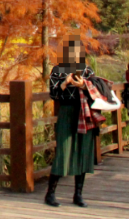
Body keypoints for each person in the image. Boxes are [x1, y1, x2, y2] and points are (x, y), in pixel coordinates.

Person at [45, 34, 97, 208]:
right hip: (66, 111)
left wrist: (83, 85)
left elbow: (96, 91)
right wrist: (65, 83)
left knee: (83, 150)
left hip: (84, 112)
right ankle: (50, 193)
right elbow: (53, 94)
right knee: (63, 151)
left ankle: (78, 194)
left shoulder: (87, 70)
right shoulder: (57, 70)